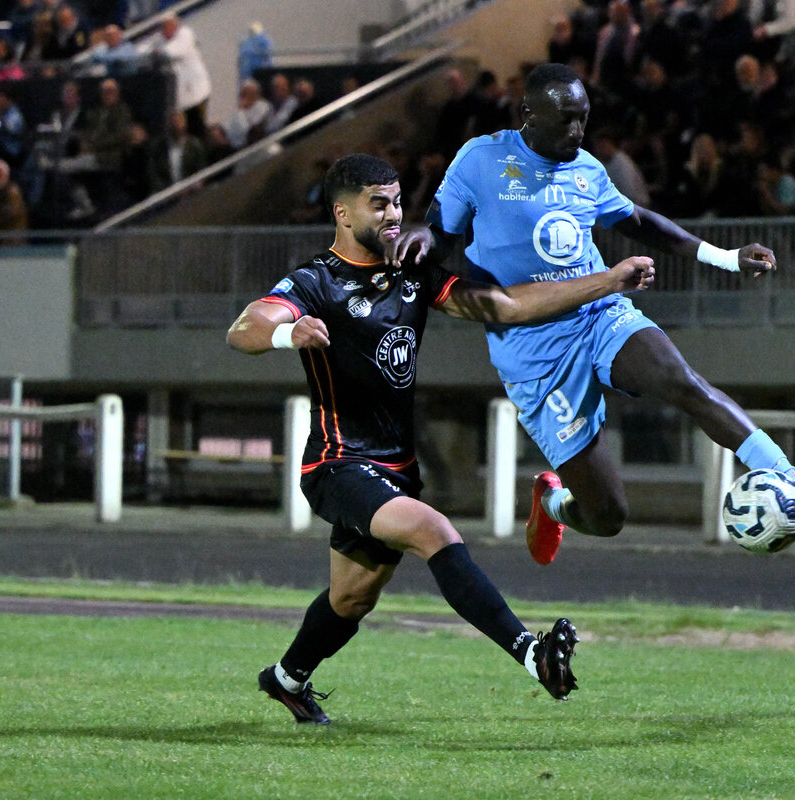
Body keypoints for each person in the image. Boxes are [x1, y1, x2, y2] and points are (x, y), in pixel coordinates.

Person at [227, 153, 657, 723]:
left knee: (352, 597)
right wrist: (288, 333)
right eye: (378, 205)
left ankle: (286, 679)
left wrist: (608, 280)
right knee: (435, 531)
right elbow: (244, 328)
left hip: (396, 467)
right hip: (338, 464)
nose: (393, 215)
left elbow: (506, 306)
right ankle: (533, 656)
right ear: (342, 213)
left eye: (397, 202)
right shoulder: (316, 281)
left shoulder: (413, 272)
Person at [401, 63, 795, 568]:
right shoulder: (481, 159)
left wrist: (726, 257)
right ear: (528, 113)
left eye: (583, 117)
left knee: (682, 381)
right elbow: (440, 232)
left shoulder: (587, 169)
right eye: (566, 119)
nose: (578, 130)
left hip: (599, 313)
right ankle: (551, 502)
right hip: (532, 349)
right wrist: (420, 237)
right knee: (607, 516)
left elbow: (639, 221)